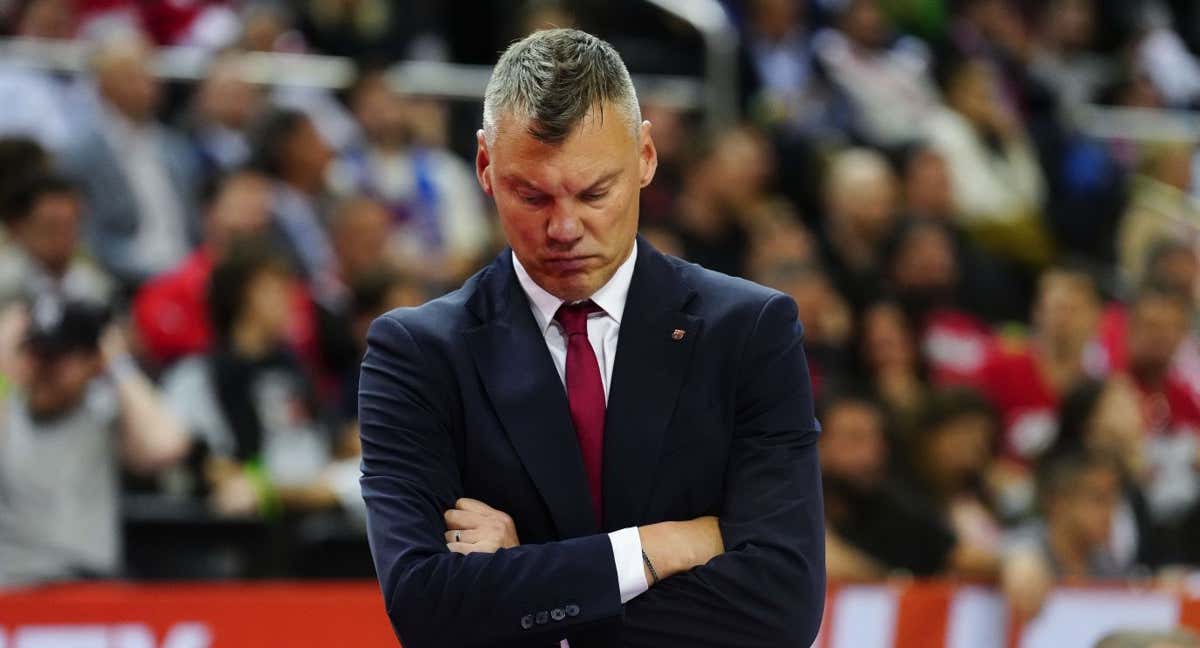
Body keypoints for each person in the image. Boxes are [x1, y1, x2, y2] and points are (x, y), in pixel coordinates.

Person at [358, 29, 825, 648]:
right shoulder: (416, 354)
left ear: (646, 158)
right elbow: (425, 607)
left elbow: (783, 605)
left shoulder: (751, 330)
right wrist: (656, 547)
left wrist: (531, 575)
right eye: (533, 195)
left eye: (595, 192)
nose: (565, 227)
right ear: (484, 168)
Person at [0, 298, 190, 585]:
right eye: (37, 353)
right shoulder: (6, 413)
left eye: (58, 357)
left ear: (93, 360)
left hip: (88, 588)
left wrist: (118, 364)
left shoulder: (105, 415)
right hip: (12, 590)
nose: (44, 369)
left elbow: (166, 445)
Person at [60, 30, 200, 289]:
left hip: (185, 271)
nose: (148, 84)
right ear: (104, 85)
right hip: (126, 276)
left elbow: (194, 225)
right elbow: (87, 239)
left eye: (150, 74)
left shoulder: (174, 146)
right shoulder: (81, 154)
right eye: (134, 76)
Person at [0, 173, 114, 308]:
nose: (62, 237)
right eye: (50, 226)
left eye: (70, 225)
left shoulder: (95, 287)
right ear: (18, 228)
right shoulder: (5, 282)